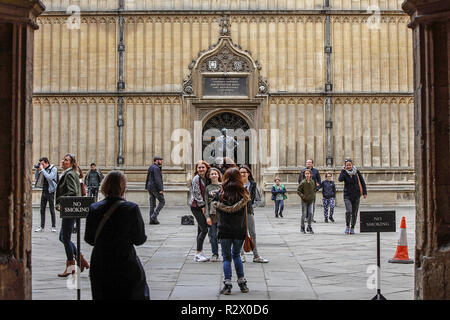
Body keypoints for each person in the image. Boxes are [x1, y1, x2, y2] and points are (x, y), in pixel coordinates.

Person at [85, 171, 149, 300]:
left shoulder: (94, 208)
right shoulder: (131, 208)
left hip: (100, 263)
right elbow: (139, 239)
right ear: (123, 187)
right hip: (124, 262)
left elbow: (89, 239)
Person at [212, 167, 249, 295]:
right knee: (237, 255)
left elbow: (215, 209)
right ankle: (242, 284)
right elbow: (248, 211)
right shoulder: (244, 193)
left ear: (225, 178)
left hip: (224, 230)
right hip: (239, 230)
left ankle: (227, 285)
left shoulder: (220, 194)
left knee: (227, 258)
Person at [55, 153, 90, 277]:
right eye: (63, 159)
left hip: (70, 209)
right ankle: (81, 261)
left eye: (66, 160)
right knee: (63, 237)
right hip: (72, 209)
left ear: (71, 163)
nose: (63, 161)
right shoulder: (70, 173)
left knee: (65, 238)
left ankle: (71, 266)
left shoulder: (69, 174)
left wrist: (61, 200)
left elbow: (73, 192)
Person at [239, 165, 268, 263]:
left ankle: (256, 256)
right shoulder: (236, 184)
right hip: (238, 213)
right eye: (241, 172)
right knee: (240, 234)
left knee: (253, 234)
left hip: (249, 213)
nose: (242, 174)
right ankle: (241, 255)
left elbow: (258, 199)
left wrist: (251, 206)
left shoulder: (253, 185)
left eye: (244, 172)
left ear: (248, 173)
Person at [189, 160, 211, 262]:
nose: (201, 169)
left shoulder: (206, 178)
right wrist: (203, 206)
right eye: (199, 167)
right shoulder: (196, 179)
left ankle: (200, 252)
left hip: (202, 205)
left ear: (206, 168)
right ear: (196, 169)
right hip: (196, 206)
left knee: (200, 229)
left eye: (203, 167)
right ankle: (198, 253)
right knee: (204, 229)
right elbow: (197, 194)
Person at [338, 159, 367, 234]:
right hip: (347, 195)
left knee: (354, 212)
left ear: (352, 165)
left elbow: (362, 182)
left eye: (349, 165)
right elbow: (340, 179)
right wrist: (342, 171)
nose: (348, 166)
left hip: (356, 195)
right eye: (347, 165)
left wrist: (364, 192)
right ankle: (347, 225)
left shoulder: (357, 172)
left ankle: (352, 227)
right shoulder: (344, 172)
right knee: (349, 211)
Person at [34, 157, 58, 232]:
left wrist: (43, 170)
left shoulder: (53, 169)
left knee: (51, 209)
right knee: (42, 209)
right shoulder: (42, 170)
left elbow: (50, 177)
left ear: (46, 162)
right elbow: (36, 178)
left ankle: (53, 226)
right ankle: (42, 226)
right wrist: (37, 171)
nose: (41, 165)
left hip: (50, 191)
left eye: (42, 163)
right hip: (44, 190)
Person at [204, 167, 222, 262]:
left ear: (218, 175)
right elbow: (206, 203)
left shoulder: (223, 186)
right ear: (209, 176)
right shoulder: (208, 188)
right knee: (213, 235)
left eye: (215, 173)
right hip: (212, 214)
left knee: (223, 235)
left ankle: (225, 253)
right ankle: (215, 254)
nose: (214, 175)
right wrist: (207, 217)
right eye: (212, 174)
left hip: (223, 214)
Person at [145, 156, 165, 225]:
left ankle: (152, 220)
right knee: (162, 201)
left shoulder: (151, 167)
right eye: (160, 160)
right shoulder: (156, 168)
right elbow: (158, 179)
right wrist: (160, 189)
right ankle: (154, 216)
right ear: (156, 160)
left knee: (152, 204)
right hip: (155, 188)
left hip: (150, 187)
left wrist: (146, 187)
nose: (161, 161)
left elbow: (148, 177)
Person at [297, 169, 316, 234]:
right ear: (304, 175)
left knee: (310, 213)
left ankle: (309, 226)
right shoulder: (303, 182)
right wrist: (303, 196)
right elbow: (298, 191)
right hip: (304, 201)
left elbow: (314, 190)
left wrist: (312, 197)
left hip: (310, 201)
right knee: (304, 214)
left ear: (310, 174)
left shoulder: (312, 182)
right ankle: (302, 227)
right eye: (306, 174)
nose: (307, 175)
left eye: (308, 173)